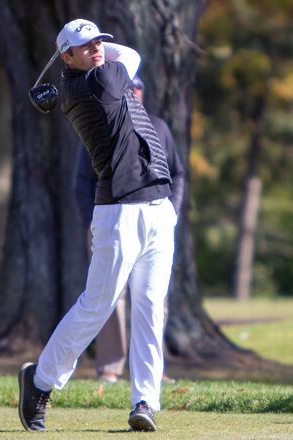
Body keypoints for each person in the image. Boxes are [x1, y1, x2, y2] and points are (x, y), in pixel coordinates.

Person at [18, 19, 177, 432]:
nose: (98, 50)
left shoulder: (91, 74)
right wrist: (86, 52)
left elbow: (116, 53)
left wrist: (79, 44)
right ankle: (39, 382)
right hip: (120, 211)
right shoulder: (95, 83)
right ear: (67, 58)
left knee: (149, 308)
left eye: (99, 43)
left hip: (158, 208)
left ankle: (145, 400)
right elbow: (132, 55)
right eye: (85, 47)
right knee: (96, 307)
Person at [74, 75, 185, 383]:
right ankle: (110, 367)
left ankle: (150, 371)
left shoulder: (159, 127)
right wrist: (92, 219)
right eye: (128, 87)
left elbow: (177, 173)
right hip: (110, 222)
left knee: (152, 297)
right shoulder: (101, 126)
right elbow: (82, 180)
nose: (134, 92)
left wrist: (171, 212)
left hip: (155, 221)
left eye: (138, 87)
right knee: (110, 297)